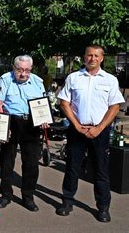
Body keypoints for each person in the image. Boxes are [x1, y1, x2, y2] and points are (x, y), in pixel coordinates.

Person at [56, 45, 124, 222]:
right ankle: (67, 201)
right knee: (72, 167)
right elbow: (64, 102)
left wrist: (100, 128)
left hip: (99, 131)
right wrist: (77, 125)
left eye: (96, 56)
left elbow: (115, 106)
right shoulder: (74, 78)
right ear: (84, 57)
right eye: (89, 55)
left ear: (102, 58)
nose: (92, 58)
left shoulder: (110, 80)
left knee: (101, 170)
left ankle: (103, 207)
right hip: (77, 130)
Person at [0, 55, 48, 212]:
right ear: (14, 68)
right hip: (11, 122)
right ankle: (6, 195)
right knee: (7, 161)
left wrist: (44, 118)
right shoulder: (4, 80)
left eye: (26, 70)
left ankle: (28, 197)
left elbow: (43, 104)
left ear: (31, 69)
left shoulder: (38, 82)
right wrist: (3, 124)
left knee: (31, 163)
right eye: (19, 70)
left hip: (31, 124)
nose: (23, 74)